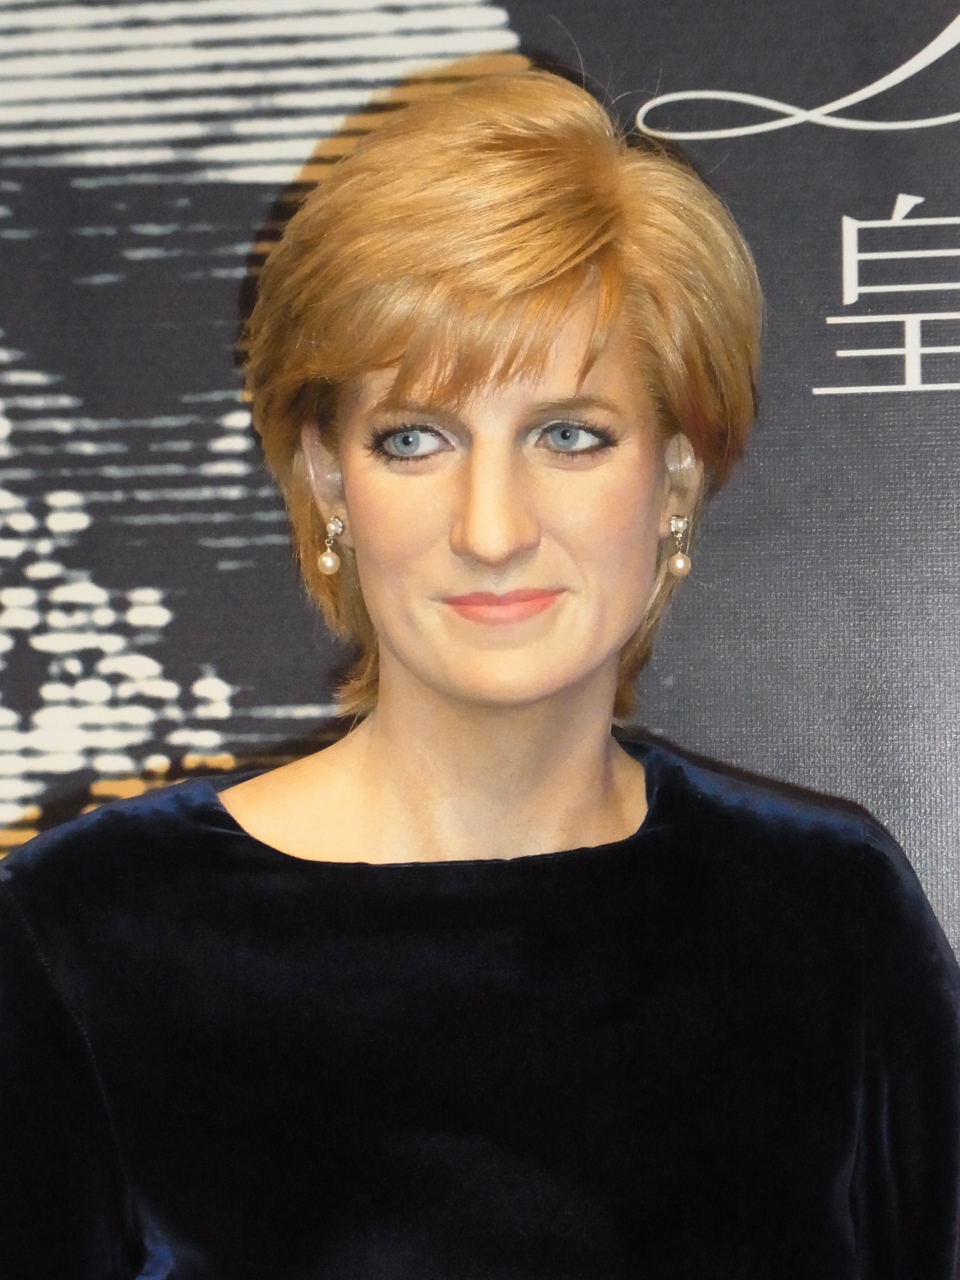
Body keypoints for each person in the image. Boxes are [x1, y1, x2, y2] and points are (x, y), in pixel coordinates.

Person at [0, 68, 958, 1280]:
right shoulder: (83, 933)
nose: (491, 526)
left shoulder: (829, 911)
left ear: (674, 474)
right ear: (330, 479)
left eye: (569, 434)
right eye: (415, 439)